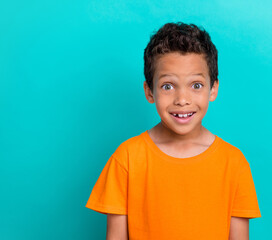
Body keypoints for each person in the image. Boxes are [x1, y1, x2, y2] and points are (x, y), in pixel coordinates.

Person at [85, 22, 261, 240]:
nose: (182, 100)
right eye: (168, 86)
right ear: (149, 92)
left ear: (213, 89)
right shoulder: (127, 158)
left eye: (196, 85)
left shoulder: (234, 163)